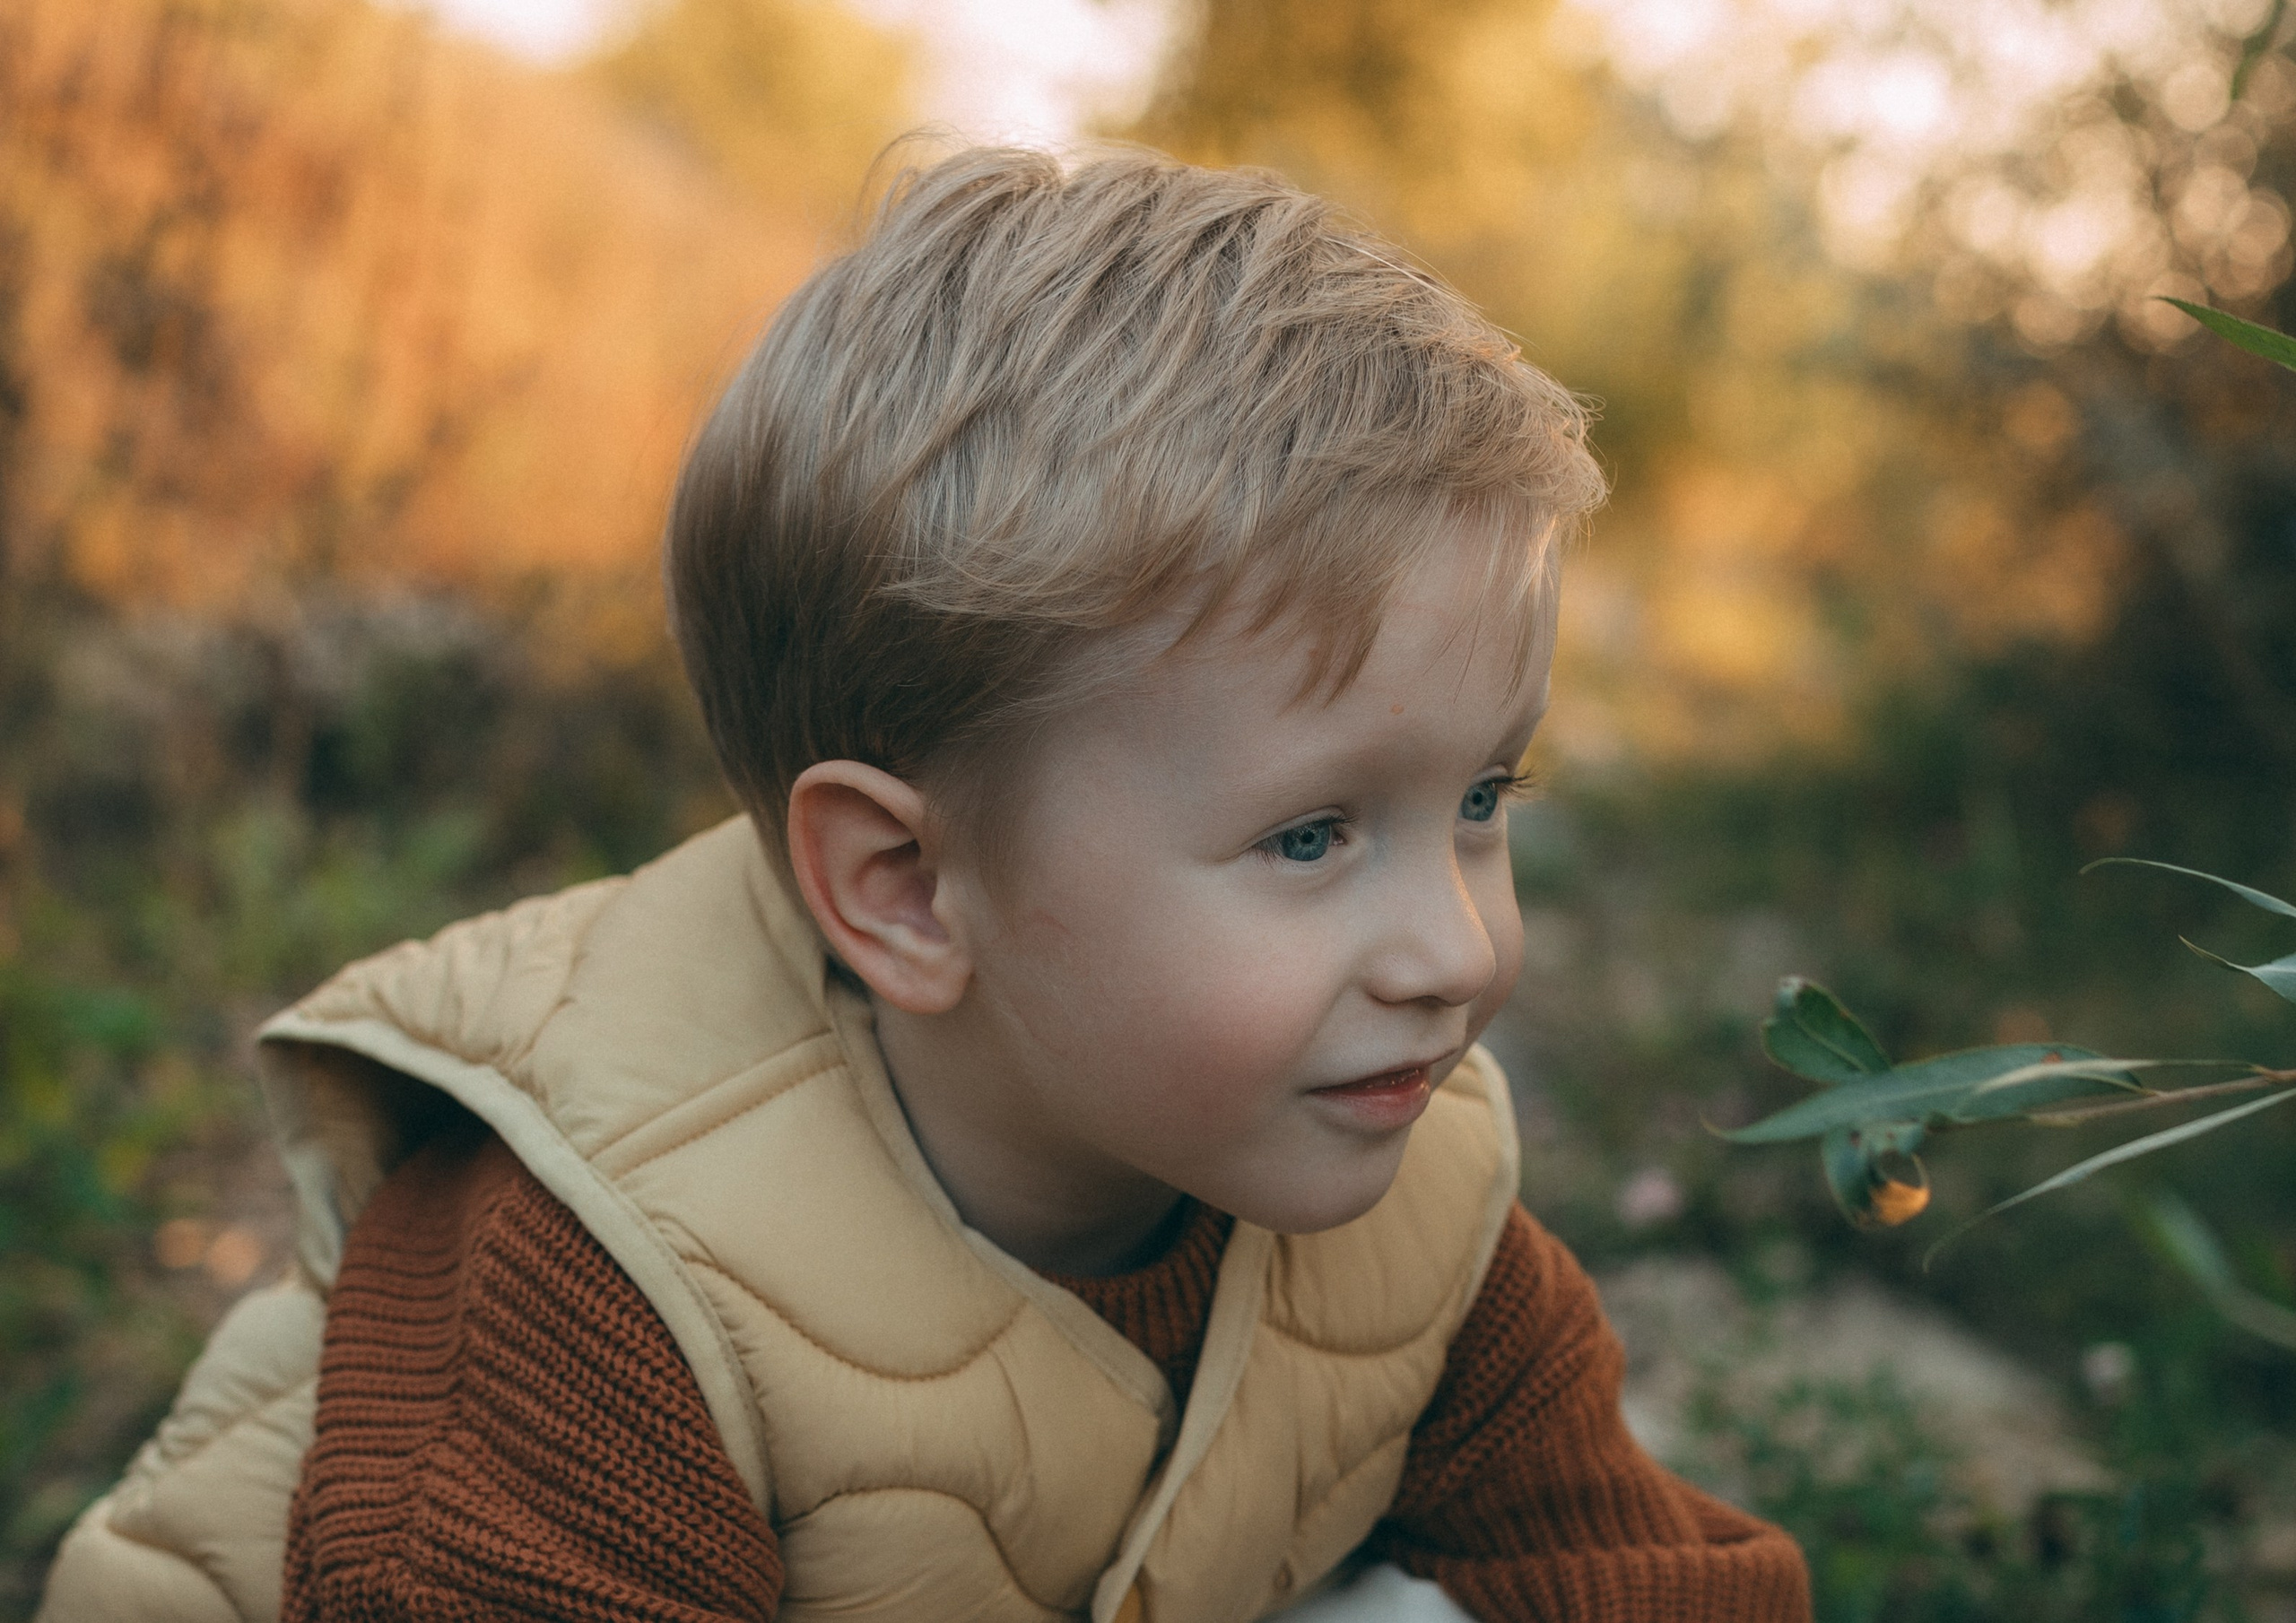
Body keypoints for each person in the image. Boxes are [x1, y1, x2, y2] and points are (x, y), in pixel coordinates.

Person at [39, 144, 1812, 1623]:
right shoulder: (601, 1284)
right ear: (902, 886)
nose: (1453, 946)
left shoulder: (1417, 1210)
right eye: (1307, 834)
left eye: (1483, 796)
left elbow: (1623, 1566)